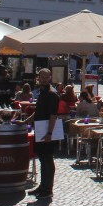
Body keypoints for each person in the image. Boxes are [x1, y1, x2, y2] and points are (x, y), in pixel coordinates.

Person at [28, 67, 59, 198]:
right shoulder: (42, 92)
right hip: (40, 128)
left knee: (47, 159)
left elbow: (53, 115)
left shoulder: (52, 93)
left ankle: (48, 189)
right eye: (43, 77)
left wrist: (50, 133)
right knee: (42, 158)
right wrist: (26, 122)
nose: (45, 79)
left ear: (50, 78)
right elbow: (38, 111)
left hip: (47, 130)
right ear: (38, 78)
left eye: (47, 77)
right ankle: (43, 186)